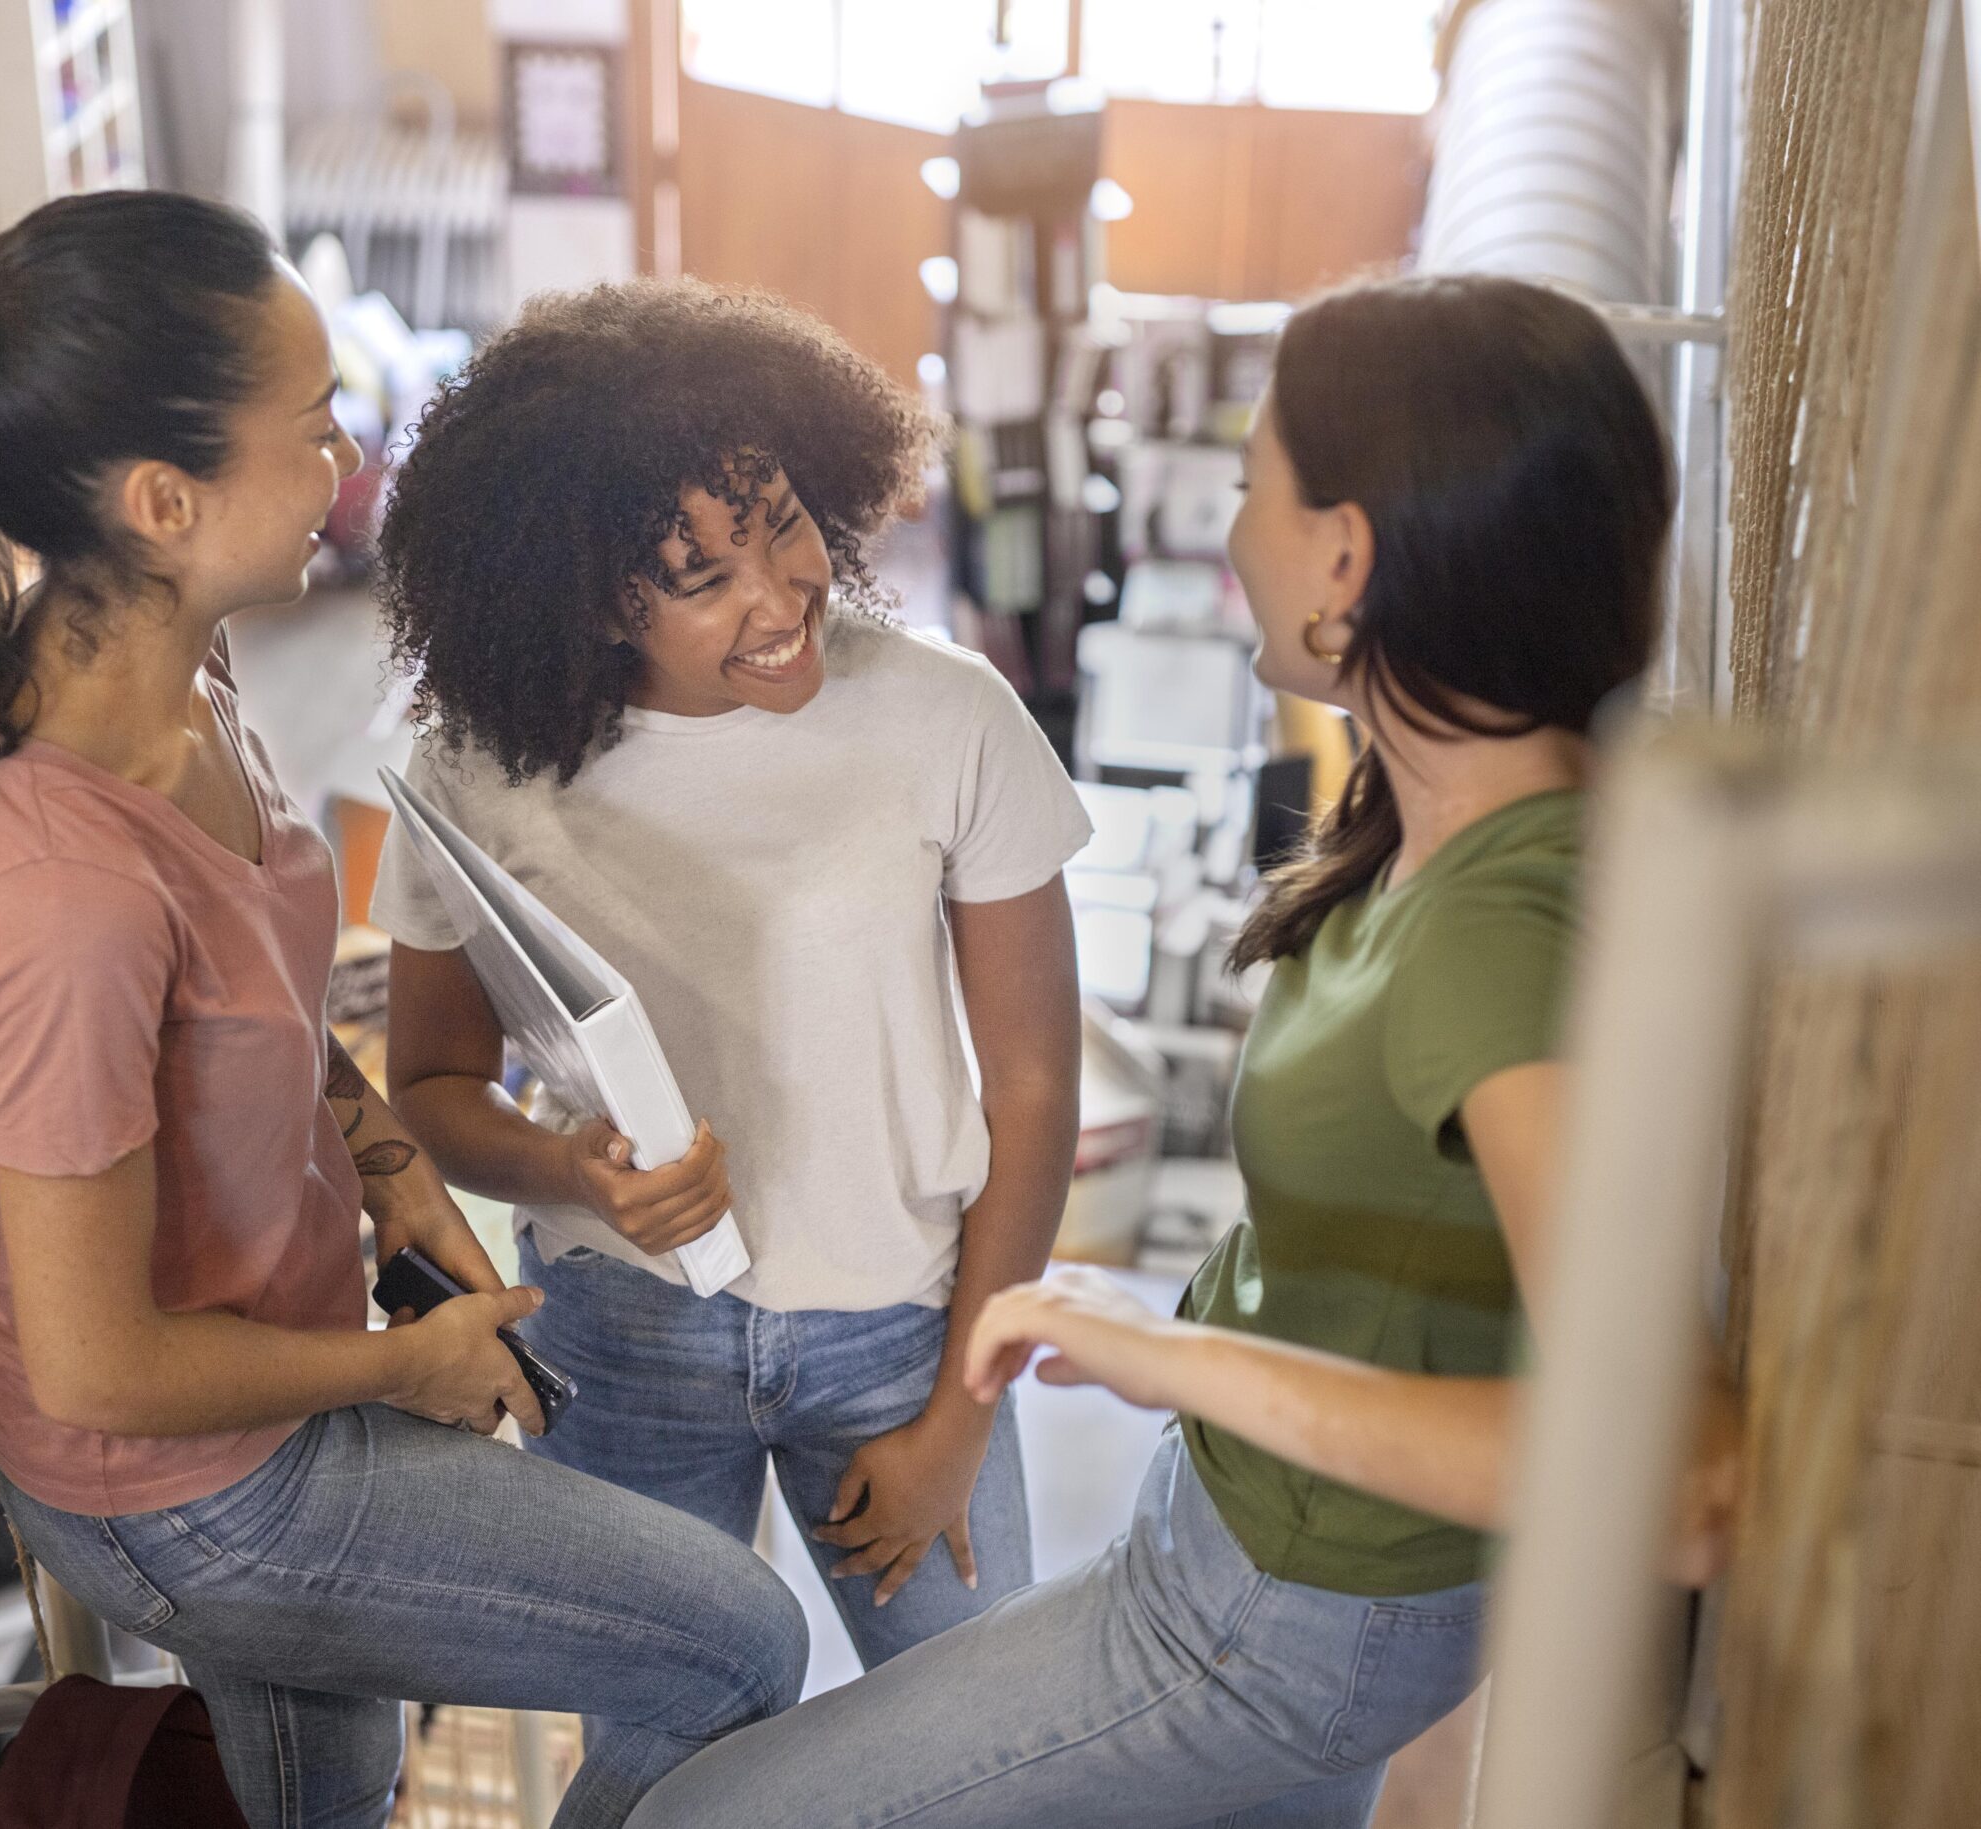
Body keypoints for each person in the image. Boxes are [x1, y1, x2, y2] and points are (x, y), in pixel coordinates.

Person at [0, 192, 807, 1829]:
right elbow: (95, 1367)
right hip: (197, 1483)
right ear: (165, 501)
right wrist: (403, 1371)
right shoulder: (52, 888)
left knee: (334, 1790)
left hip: (274, 1367)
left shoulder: (186, 670)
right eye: (313, 433)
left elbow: (263, 1010)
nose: (347, 461)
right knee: (736, 1640)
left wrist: (385, 1166)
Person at [623, 274, 1744, 1829]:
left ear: (1344, 555)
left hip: (1284, 1608)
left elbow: (1676, 1473)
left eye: (1252, 486)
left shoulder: (1500, 932)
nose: (1227, 533)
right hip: (1278, 1571)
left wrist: (1178, 1357)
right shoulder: (1449, 822)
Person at [372, 280, 1089, 1668]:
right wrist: (578, 1172)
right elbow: (434, 1085)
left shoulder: (950, 717)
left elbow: (1036, 1086)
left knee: (986, 1731)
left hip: (900, 1333)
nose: (778, 600)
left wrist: (961, 1417)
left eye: (783, 529)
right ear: (579, 599)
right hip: (622, 1337)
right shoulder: (477, 762)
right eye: (701, 579)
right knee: (665, 1752)